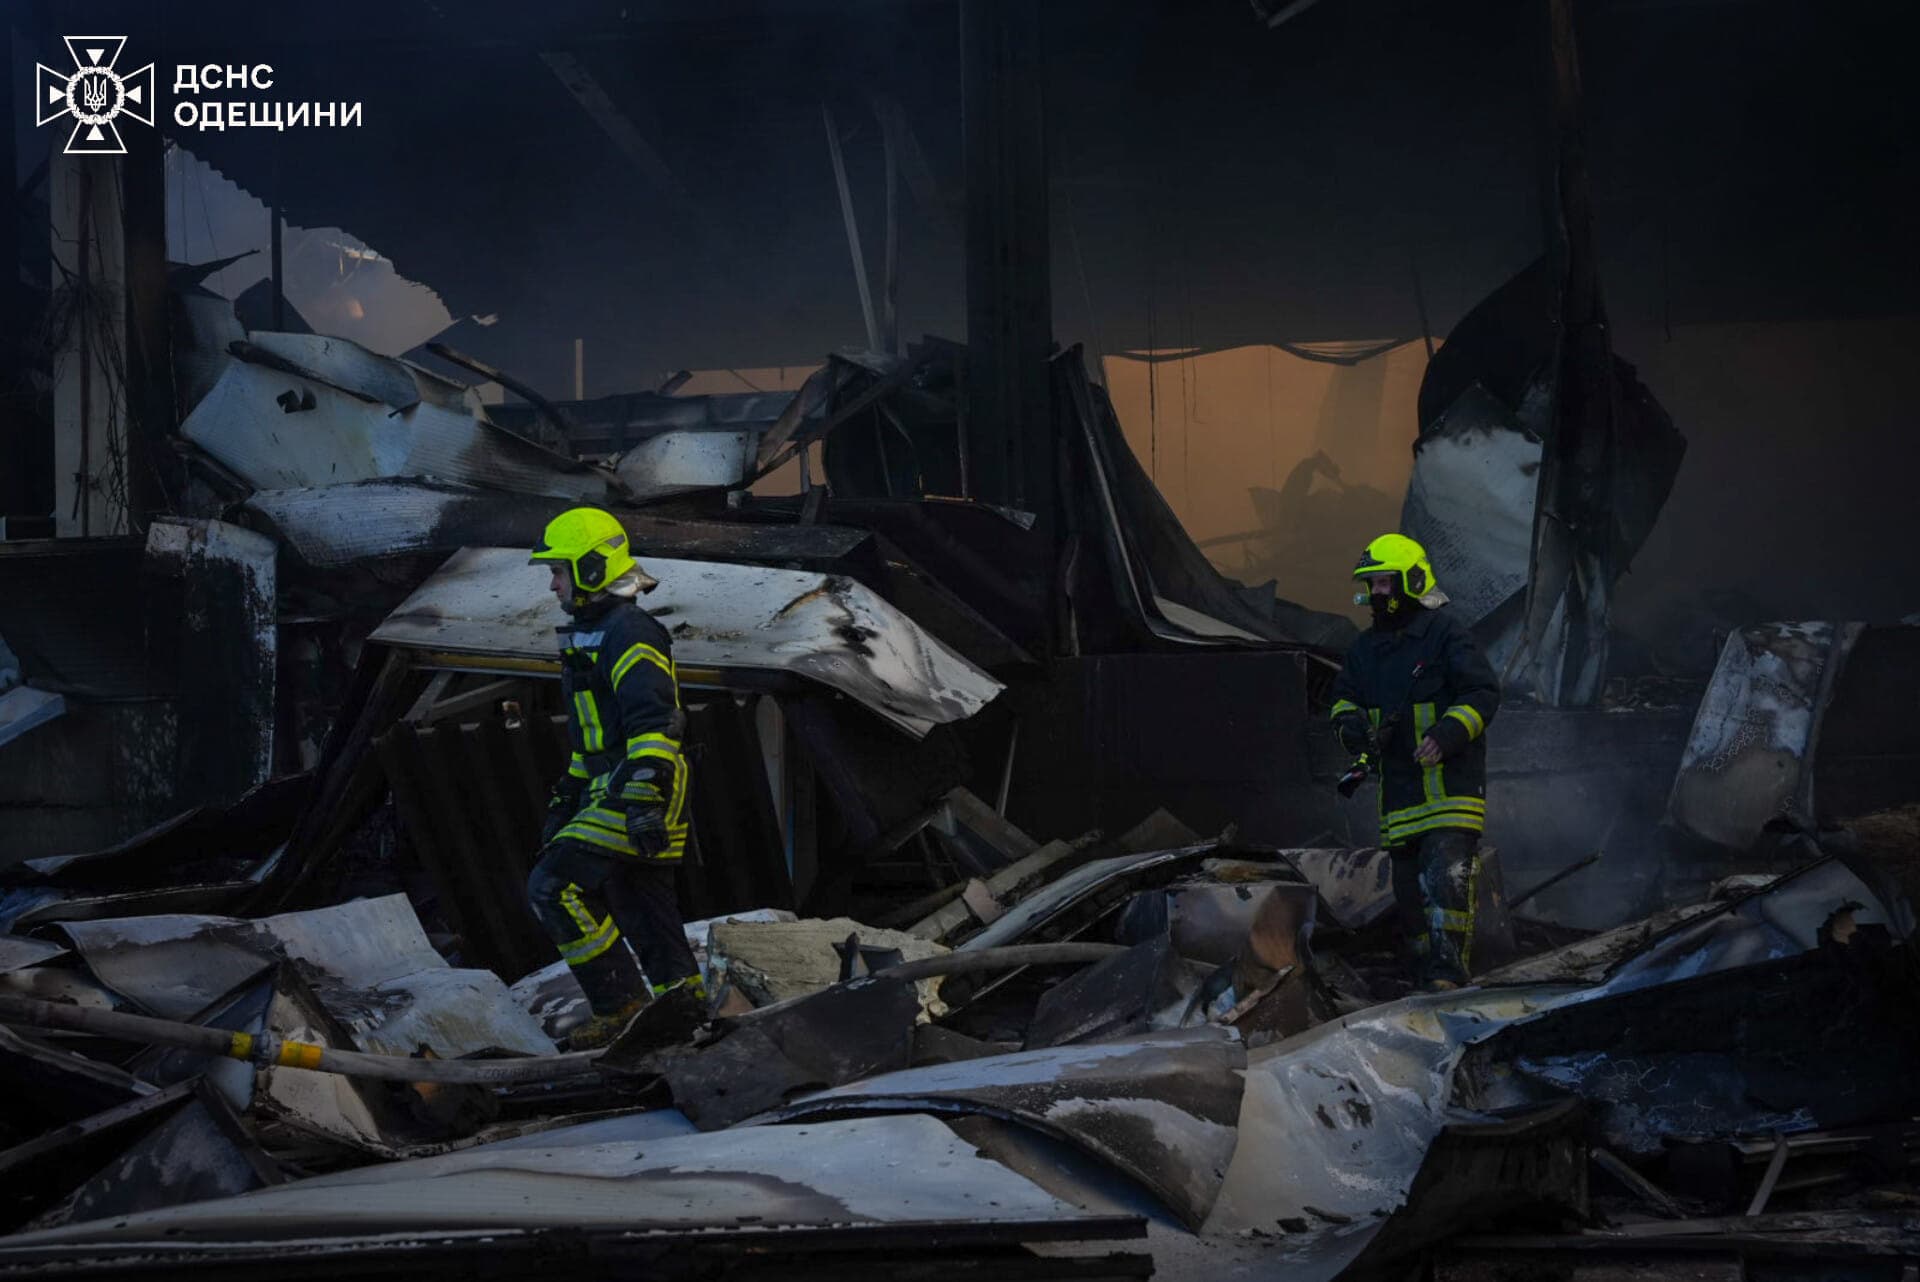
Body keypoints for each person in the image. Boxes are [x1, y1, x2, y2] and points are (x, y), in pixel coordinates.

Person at [525, 506, 702, 1049]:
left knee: (552, 886)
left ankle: (621, 1006)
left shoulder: (629, 631)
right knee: (644, 907)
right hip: (617, 788)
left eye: (559, 571)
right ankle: (687, 1013)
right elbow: (594, 739)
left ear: (592, 569)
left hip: (642, 791)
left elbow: (653, 724)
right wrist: (568, 794)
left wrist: (644, 796)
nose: (553, 585)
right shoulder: (593, 633)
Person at [1328, 533, 1500, 988]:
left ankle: (1449, 977)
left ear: (1412, 580)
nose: (1376, 594)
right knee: (1410, 900)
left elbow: (1482, 692)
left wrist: (1447, 736)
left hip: (1449, 793)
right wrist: (1350, 728)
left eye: (1385, 583)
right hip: (1399, 799)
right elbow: (1343, 698)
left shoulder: (1446, 633)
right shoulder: (1366, 650)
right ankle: (1423, 977)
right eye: (1372, 584)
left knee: (1446, 880)